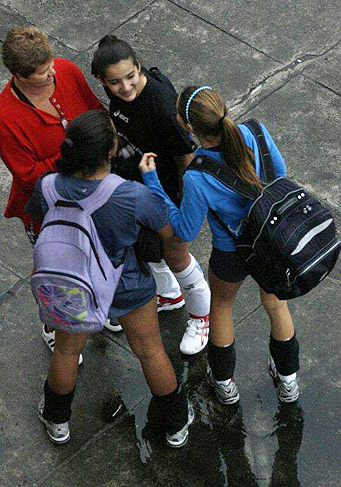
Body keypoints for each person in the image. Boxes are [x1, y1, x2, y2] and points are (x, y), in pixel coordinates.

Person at [26, 109, 194, 448]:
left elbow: (39, 223)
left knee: (66, 353)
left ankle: (57, 420)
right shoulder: (129, 195)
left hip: (74, 285)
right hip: (127, 284)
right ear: (108, 153)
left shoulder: (46, 186)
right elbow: (168, 231)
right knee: (149, 351)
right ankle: (175, 424)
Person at [139, 85, 300, 404]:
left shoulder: (197, 174)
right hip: (270, 241)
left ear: (188, 127)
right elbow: (279, 174)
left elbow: (183, 231)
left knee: (222, 308)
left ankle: (225, 385)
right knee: (276, 305)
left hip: (231, 253)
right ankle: (288, 381)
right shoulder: (256, 131)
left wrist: (153, 183)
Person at [91, 36, 211, 355]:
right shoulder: (118, 93)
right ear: (102, 80)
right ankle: (171, 296)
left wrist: (186, 210)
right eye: (115, 82)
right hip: (140, 187)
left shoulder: (160, 104)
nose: (125, 87)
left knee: (177, 257)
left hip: (167, 195)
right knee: (147, 249)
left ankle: (202, 318)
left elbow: (187, 160)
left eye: (130, 77)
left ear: (139, 66)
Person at [0, 25, 104, 360]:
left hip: (90, 193)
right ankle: (53, 322)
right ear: (18, 75)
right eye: (43, 72)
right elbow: (27, 174)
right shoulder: (4, 116)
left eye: (51, 66)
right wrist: (73, 153)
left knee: (93, 255)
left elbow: (96, 113)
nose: (52, 73)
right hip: (47, 208)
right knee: (56, 267)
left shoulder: (67, 71)